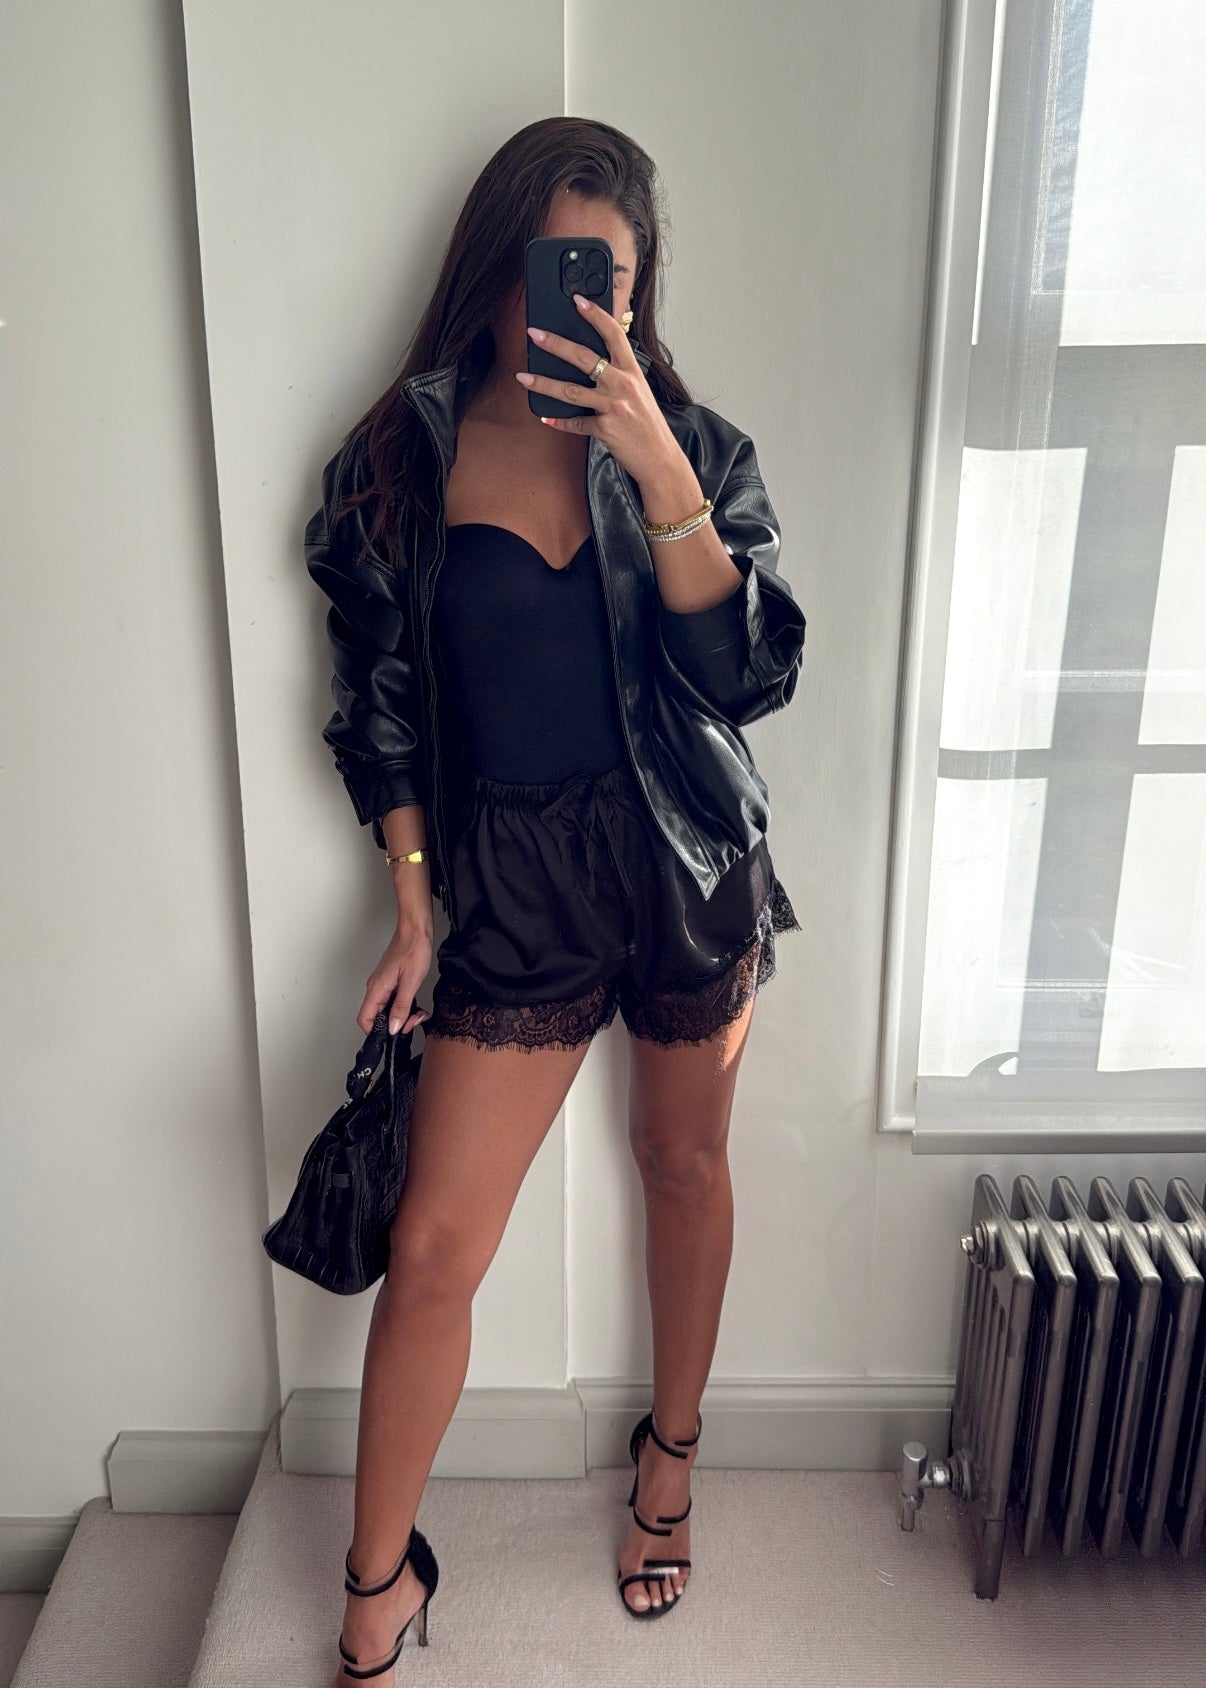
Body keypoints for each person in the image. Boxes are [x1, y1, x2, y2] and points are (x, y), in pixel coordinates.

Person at [305, 116, 807, 1684]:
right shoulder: (400, 458)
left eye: (613, 282)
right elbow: (379, 708)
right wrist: (411, 900)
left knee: (682, 1165)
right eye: (555, 271)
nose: (582, 308)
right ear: (497, 267)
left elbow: (748, 675)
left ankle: (668, 1466)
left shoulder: (694, 447)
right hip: (508, 882)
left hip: (682, 866)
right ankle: (377, 1582)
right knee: (433, 1249)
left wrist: (657, 466)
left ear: (639, 292)